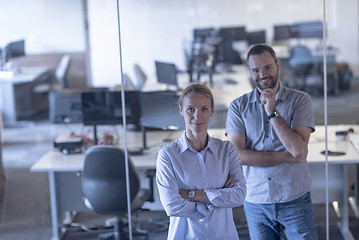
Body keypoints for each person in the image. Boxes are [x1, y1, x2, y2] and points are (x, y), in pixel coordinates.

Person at [226, 44, 318, 240]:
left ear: (278, 65)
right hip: (255, 199)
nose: (262, 74)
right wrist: (285, 156)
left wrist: (272, 112)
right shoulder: (238, 106)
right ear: (250, 72)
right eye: (256, 70)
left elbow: (299, 150)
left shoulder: (300, 100)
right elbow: (237, 156)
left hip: (294, 196)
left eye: (267, 67)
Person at [156, 83, 246, 240]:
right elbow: (172, 206)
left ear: (212, 111)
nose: (197, 116)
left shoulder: (226, 150)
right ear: (181, 110)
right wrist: (217, 199)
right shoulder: (168, 155)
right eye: (191, 109)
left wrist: (191, 195)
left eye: (204, 109)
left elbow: (239, 195)